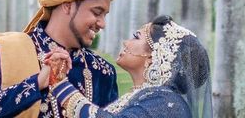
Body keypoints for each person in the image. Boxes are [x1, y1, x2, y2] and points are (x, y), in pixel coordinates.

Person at [46, 16, 213, 118]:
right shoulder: (149, 96)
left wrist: (60, 84)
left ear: (154, 55)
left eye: (136, 37)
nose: (126, 42)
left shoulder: (166, 101)